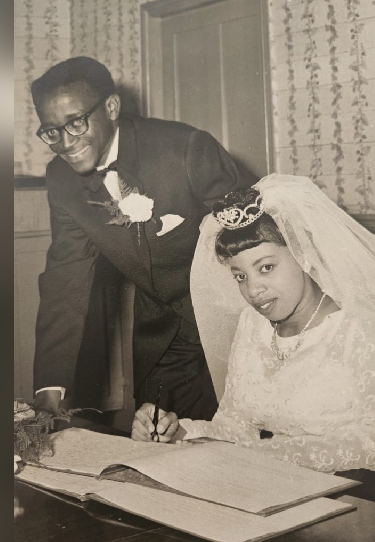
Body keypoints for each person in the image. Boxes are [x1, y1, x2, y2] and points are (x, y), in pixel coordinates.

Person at [131, 174, 375, 504]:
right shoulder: (252, 325)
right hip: (281, 488)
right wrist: (180, 431)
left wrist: (267, 453)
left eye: (266, 267)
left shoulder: (361, 327)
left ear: (304, 255)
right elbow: (236, 425)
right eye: (240, 276)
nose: (252, 290)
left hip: (365, 501)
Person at [30, 56, 257, 420]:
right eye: (51, 131)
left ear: (112, 107)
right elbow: (65, 280)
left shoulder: (184, 148)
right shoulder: (62, 180)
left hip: (240, 320)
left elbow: (258, 239)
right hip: (163, 334)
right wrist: (50, 388)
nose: (65, 142)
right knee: (160, 443)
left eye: (75, 122)